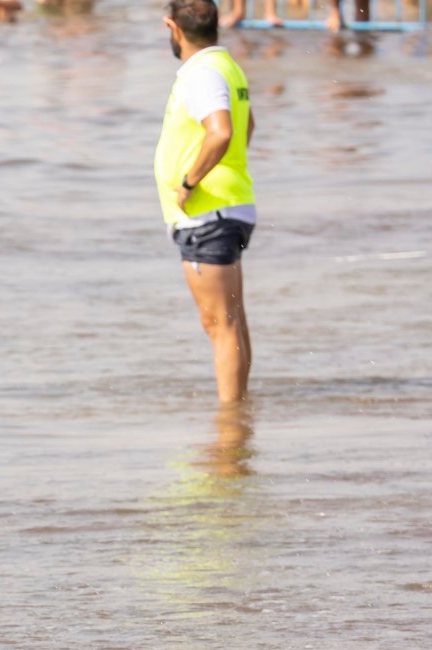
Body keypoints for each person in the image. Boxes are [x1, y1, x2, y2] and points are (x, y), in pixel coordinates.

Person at [155, 0, 257, 404]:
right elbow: (247, 127)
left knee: (220, 324)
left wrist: (189, 181)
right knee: (232, 322)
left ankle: (230, 430)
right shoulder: (227, 66)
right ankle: (240, 416)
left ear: (172, 26)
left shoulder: (202, 72)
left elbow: (222, 131)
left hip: (208, 213)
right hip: (230, 206)